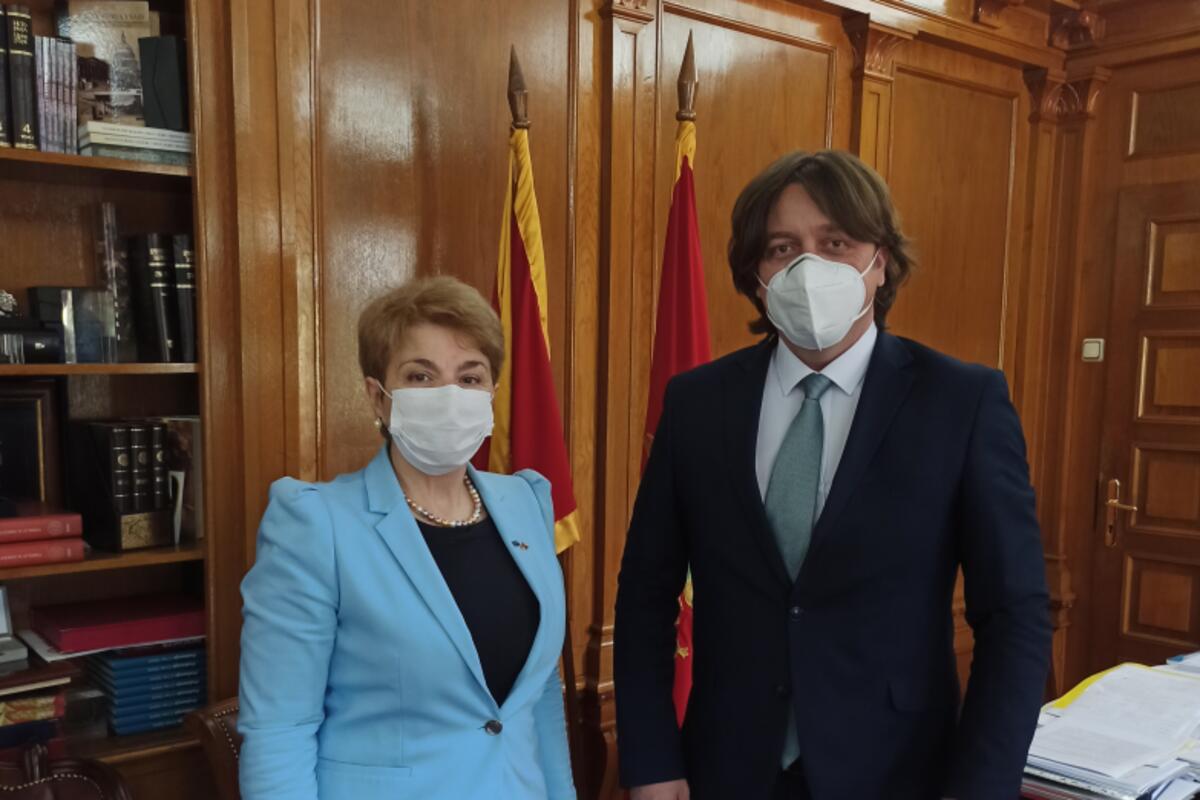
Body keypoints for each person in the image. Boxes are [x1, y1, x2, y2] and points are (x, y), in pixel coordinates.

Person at [614, 150, 1051, 800]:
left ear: (881, 261)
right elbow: (646, 594)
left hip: (898, 772)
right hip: (726, 768)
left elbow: (1014, 614)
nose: (808, 266)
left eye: (835, 242)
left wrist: (981, 788)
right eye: (782, 248)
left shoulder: (962, 403)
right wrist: (651, 761)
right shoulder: (697, 404)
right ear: (756, 274)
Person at [238, 276, 576, 800]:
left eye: (470, 377)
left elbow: (540, 694)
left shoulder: (525, 502)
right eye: (421, 376)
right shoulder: (315, 525)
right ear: (379, 398)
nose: (449, 396)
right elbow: (279, 733)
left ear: (491, 394)